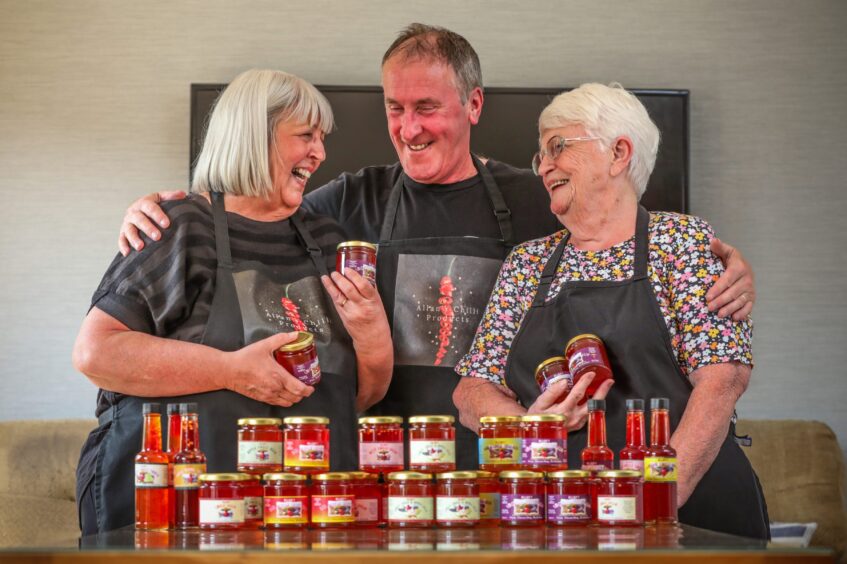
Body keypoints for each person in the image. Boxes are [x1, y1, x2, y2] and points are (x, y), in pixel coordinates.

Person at [113, 24, 756, 470]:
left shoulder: (538, 196)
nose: (408, 127)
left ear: (474, 104)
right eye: (395, 107)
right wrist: (177, 206)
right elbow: (255, 210)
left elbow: (626, 229)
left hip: (506, 458)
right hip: (384, 456)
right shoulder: (348, 200)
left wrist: (724, 260)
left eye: (428, 106)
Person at [72, 69, 393, 534]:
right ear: (253, 136)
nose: (320, 153)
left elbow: (354, 399)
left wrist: (373, 336)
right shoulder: (180, 226)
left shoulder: (328, 242)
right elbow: (96, 353)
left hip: (300, 517)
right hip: (169, 512)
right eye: (305, 135)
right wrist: (233, 370)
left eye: (322, 138)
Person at [453, 83, 768, 538]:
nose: (544, 165)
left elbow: (723, 381)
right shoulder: (527, 264)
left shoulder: (680, 242)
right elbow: (471, 391)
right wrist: (531, 429)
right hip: (562, 516)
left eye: (558, 147)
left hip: (690, 514)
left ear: (619, 153)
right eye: (540, 154)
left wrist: (654, 502)